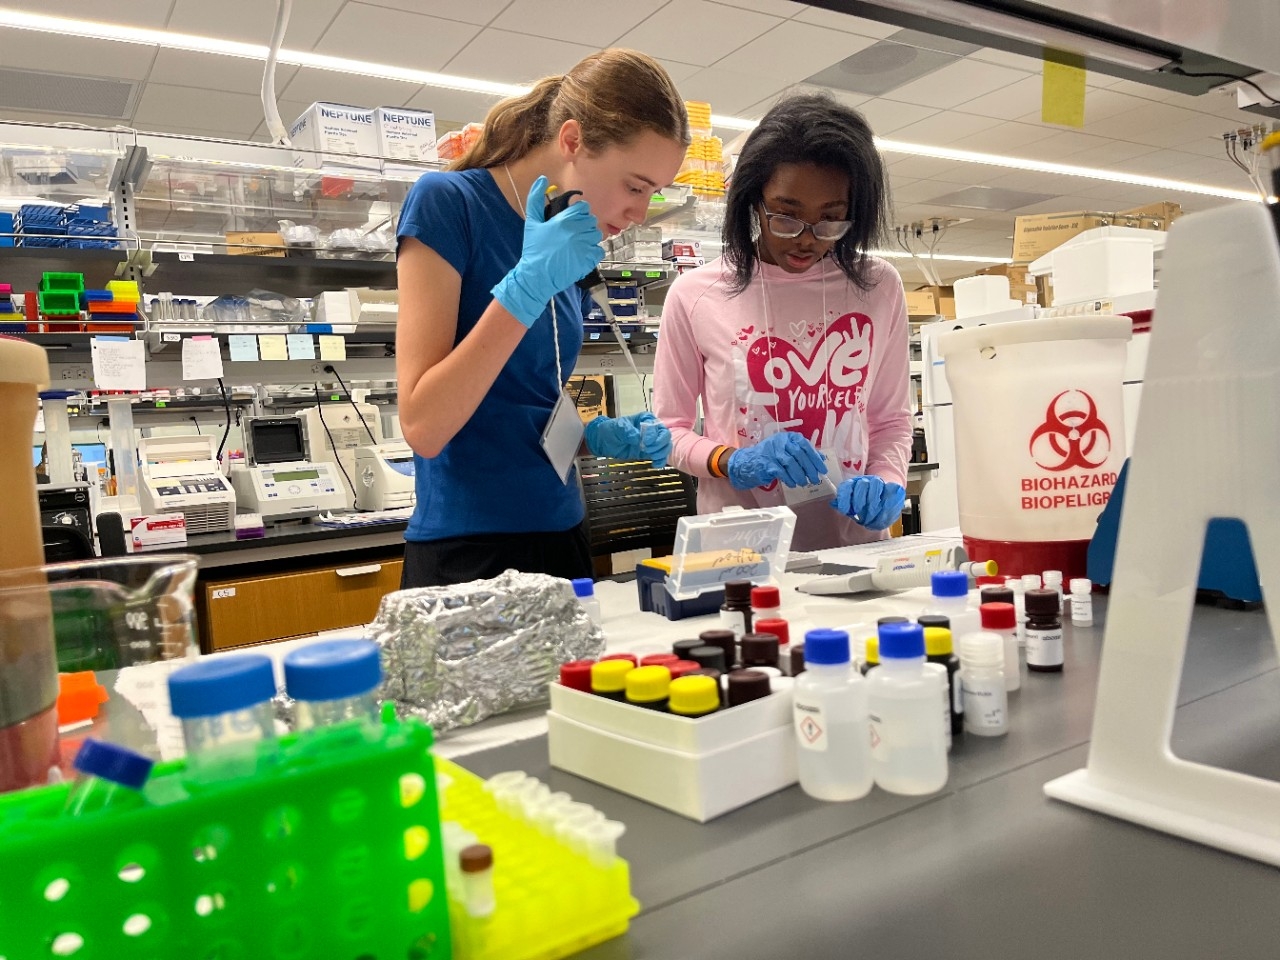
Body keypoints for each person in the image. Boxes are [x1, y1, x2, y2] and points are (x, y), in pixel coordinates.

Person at [395, 49, 689, 587]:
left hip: (564, 529)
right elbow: (424, 427)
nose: (639, 213)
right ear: (573, 140)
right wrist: (525, 287)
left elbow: (524, 402)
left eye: (653, 193)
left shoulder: (568, 231)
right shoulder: (449, 204)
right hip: (469, 548)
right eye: (634, 186)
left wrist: (594, 436)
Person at [653, 93, 912, 551]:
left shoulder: (878, 287)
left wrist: (887, 480)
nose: (807, 239)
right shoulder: (697, 295)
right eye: (786, 216)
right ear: (754, 201)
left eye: (830, 220)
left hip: (855, 546)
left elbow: (890, 419)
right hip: (741, 550)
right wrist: (729, 461)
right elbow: (668, 431)